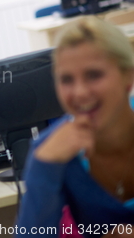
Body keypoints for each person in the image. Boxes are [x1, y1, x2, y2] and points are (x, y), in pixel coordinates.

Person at [16, 17, 134, 237]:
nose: (79, 92)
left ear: (128, 76)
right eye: (67, 79)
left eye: (94, 75)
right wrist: (45, 167)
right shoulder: (51, 148)